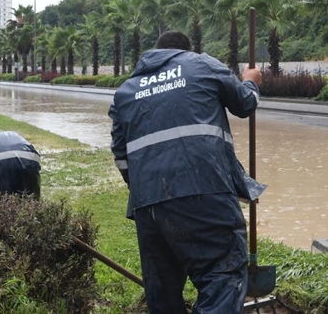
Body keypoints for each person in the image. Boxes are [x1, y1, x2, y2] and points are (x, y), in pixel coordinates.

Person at [108, 31, 266, 314]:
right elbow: (243, 104)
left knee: (163, 294)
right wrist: (251, 82)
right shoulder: (201, 64)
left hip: (147, 203)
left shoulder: (126, 91)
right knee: (222, 276)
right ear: (186, 52)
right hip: (203, 189)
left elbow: (121, 157)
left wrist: (152, 189)